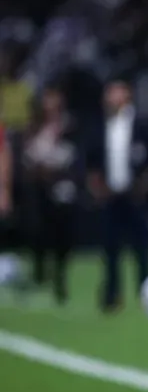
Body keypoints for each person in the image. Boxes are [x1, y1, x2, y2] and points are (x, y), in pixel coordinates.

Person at [86, 80, 148, 313]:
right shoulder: (100, 126)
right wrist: (98, 189)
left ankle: (147, 296)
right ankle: (111, 297)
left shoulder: (142, 125)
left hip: (135, 196)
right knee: (110, 249)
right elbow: (91, 162)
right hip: (111, 197)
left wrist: (143, 188)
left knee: (142, 249)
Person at [22, 86, 82, 303]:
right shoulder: (35, 127)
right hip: (40, 189)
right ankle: (39, 273)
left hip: (63, 187)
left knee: (63, 236)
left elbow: (74, 156)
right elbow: (28, 157)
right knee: (39, 233)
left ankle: (60, 277)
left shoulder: (69, 126)